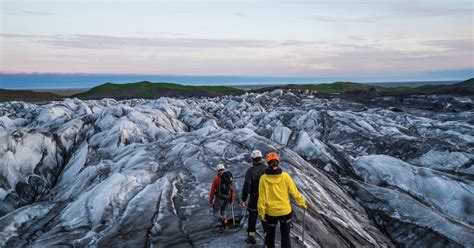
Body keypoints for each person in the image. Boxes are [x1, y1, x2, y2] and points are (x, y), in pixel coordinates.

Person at [258, 152, 307, 248]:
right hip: (285, 211)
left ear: (268, 163)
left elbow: (262, 198)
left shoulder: (263, 178)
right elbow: (294, 192)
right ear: (278, 162)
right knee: (285, 235)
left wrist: (261, 213)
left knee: (270, 235)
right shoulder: (285, 176)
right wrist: (302, 203)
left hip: (271, 213)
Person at [241, 150, 267, 244]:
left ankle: (251, 237)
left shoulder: (250, 171)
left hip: (254, 198)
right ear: (261, 158)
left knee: (252, 219)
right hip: (265, 199)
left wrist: (244, 199)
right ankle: (268, 239)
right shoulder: (267, 169)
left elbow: (247, 185)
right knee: (265, 219)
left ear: (252, 159)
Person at [209, 163, 235, 231]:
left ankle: (223, 220)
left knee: (215, 213)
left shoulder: (216, 179)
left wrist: (211, 201)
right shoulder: (229, 177)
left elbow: (212, 191)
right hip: (227, 198)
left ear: (217, 171)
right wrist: (232, 199)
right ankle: (222, 226)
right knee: (223, 212)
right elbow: (232, 189)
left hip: (219, 199)